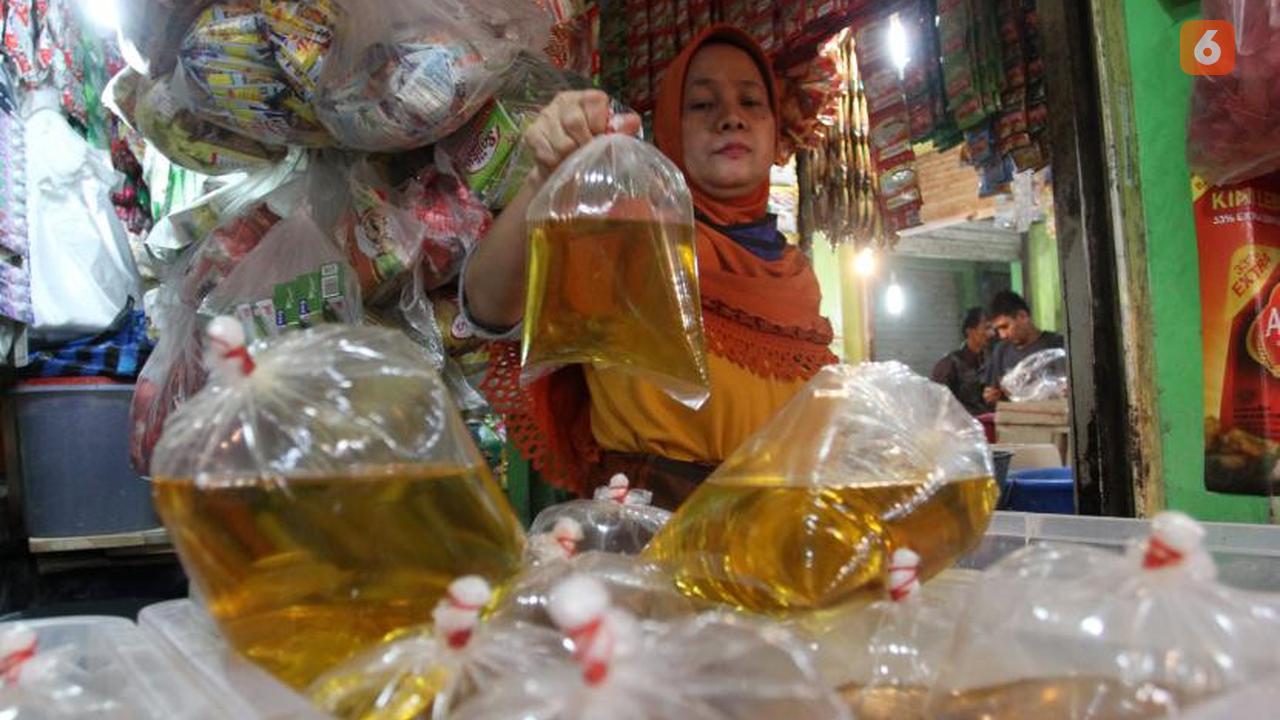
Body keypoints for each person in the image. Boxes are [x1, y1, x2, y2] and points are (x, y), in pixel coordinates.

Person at [461, 25, 837, 509]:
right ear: (669, 127)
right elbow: (488, 306)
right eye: (701, 104)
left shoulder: (796, 274)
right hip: (649, 546)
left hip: (779, 549)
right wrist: (546, 178)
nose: (731, 119)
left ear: (774, 128)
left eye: (751, 102)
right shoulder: (632, 229)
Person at [982, 290, 1065, 405]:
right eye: (998, 330)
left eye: (1005, 326)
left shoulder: (1058, 345)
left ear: (1023, 316)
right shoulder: (1000, 352)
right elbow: (992, 394)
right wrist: (992, 396)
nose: (1002, 335)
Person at [931, 307, 992, 416]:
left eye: (991, 328)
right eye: (986, 328)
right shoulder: (949, 365)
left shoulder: (990, 362)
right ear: (970, 331)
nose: (991, 333)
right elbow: (938, 404)